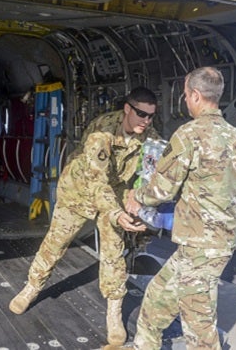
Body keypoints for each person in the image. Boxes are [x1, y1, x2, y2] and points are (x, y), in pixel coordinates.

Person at [9, 87, 161, 347]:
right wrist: (115, 212)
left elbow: (154, 170)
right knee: (56, 243)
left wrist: (139, 202)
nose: (146, 121)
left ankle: (113, 312)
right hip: (79, 191)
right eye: (140, 114)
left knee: (114, 251)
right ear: (127, 108)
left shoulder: (149, 137)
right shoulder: (102, 132)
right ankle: (32, 286)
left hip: (113, 194)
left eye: (150, 116)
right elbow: (96, 181)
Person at [123, 66, 236, 350]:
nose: (185, 100)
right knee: (156, 302)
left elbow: (162, 190)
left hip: (199, 247)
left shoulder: (188, 135)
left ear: (194, 95)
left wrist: (135, 196)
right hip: (214, 244)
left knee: (199, 328)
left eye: (185, 94)